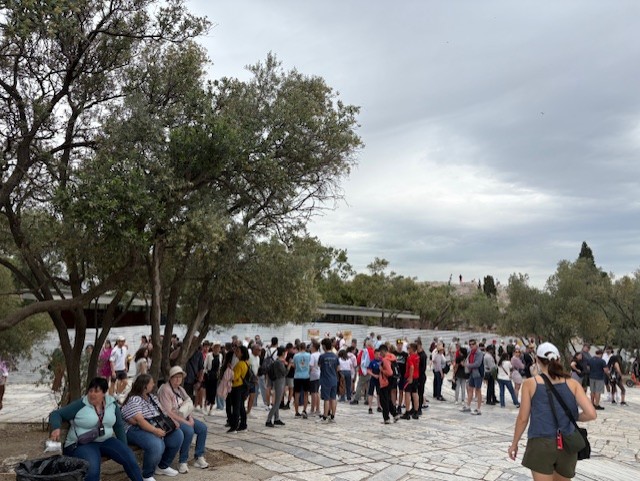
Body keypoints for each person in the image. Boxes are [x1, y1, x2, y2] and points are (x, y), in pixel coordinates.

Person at [508, 342, 596, 480]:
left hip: (540, 442)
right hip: (567, 442)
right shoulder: (573, 383)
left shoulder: (530, 384)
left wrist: (514, 444)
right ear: (558, 359)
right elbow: (591, 414)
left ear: (537, 360)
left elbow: (523, 418)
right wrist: (573, 416)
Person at [49, 377, 143, 481]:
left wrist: (123, 446)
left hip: (105, 440)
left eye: (96, 391)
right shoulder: (81, 404)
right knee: (92, 468)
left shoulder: (112, 404)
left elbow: (118, 426)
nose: (92, 394)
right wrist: (56, 428)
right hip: (82, 444)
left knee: (129, 457)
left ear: (104, 393)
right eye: (90, 391)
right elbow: (56, 414)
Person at [121, 374, 184, 480]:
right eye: (151, 383)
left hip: (154, 425)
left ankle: (163, 466)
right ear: (144, 386)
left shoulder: (152, 397)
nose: (153, 384)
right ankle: (147, 474)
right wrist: (155, 430)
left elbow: (163, 413)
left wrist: (172, 423)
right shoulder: (134, 399)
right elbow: (140, 421)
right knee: (156, 444)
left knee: (177, 435)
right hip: (135, 429)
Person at [158, 366, 209, 473]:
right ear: (170, 378)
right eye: (175, 377)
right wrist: (187, 422)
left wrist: (190, 418)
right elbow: (168, 412)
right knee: (189, 431)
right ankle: (183, 461)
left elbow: (188, 405)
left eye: (180, 377)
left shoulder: (180, 389)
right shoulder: (165, 389)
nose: (178, 380)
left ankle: (199, 456)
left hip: (184, 417)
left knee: (202, 428)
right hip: (172, 420)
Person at [227, 345, 250, 433]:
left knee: (236, 407)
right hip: (243, 386)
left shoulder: (240, 364)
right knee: (241, 407)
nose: (236, 353)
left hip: (236, 386)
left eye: (238, 351)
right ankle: (243, 425)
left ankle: (234, 426)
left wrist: (230, 370)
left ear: (242, 353)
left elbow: (234, 377)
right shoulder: (247, 363)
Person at [318, 337, 340, 423]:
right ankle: (332, 416)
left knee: (326, 399)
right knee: (333, 398)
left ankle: (325, 416)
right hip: (334, 379)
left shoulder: (322, 356)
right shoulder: (335, 356)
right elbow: (338, 368)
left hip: (325, 380)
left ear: (324, 346)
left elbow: (319, 366)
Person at [265, 346, 287, 427]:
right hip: (279, 381)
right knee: (277, 402)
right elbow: (285, 372)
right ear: (283, 353)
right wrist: (288, 365)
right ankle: (268, 419)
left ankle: (276, 418)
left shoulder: (278, 361)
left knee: (278, 400)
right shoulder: (279, 362)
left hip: (278, 381)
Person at [461, 339, 484, 415]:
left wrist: (467, 365)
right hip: (472, 373)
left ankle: (478, 409)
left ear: (476, 344)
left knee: (478, 390)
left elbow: (477, 364)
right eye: (470, 344)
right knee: (470, 389)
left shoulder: (479, 353)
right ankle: (468, 406)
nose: (471, 345)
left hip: (478, 374)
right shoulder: (471, 352)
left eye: (473, 344)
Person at [292, 342, 311, 418]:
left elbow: (295, 366)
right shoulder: (309, 355)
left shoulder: (296, 356)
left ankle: (296, 412)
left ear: (299, 348)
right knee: (306, 394)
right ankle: (304, 410)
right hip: (306, 376)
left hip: (297, 376)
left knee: (297, 394)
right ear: (305, 348)